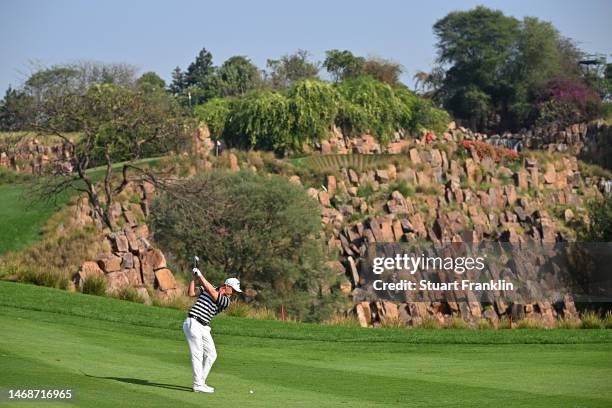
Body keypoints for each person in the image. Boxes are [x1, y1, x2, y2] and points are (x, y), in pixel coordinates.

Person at [183, 267, 242, 393]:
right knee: (197, 354)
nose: (233, 294)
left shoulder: (225, 301)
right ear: (226, 286)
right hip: (193, 322)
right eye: (233, 290)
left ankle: (201, 381)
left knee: (211, 354)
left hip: (203, 327)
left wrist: (200, 275)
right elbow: (191, 293)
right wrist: (193, 278)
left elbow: (211, 291)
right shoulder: (212, 287)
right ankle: (198, 384)